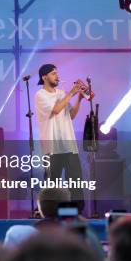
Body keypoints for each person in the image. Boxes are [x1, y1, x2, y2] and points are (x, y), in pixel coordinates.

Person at [34, 64, 85, 209]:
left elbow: (72, 115)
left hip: (68, 145)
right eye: (53, 73)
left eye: (57, 73)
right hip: (52, 147)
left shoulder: (62, 93)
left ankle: (76, 214)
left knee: (75, 182)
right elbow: (56, 110)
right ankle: (50, 213)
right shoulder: (40, 95)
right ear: (44, 77)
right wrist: (71, 93)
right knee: (52, 185)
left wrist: (79, 99)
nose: (57, 76)